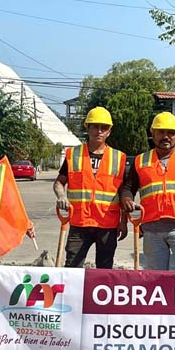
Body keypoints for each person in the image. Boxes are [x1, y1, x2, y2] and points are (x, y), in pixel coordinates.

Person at [119, 112, 175, 271]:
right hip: (151, 230)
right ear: (152, 133)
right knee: (155, 276)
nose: (166, 136)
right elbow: (128, 188)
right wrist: (126, 199)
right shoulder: (141, 161)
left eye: (171, 133)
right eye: (161, 132)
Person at [53, 107, 128, 268]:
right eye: (95, 126)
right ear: (87, 128)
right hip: (79, 222)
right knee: (72, 268)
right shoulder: (73, 154)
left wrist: (123, 222)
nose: (99, 131)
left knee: (104, 270)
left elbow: (124, 193)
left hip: (107, 224)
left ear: (109, 131)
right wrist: (61, 196)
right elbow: (59, 182)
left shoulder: (119, 158)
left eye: (104, 127)